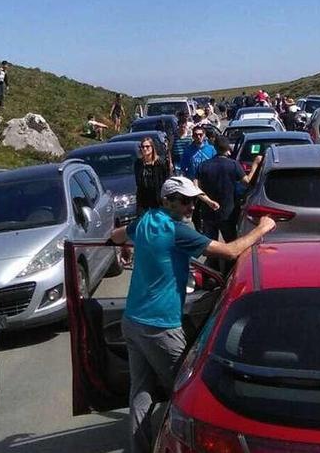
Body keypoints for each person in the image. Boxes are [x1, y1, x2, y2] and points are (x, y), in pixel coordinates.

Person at [108, 176, 276, 453]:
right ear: (168, 200)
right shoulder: (178, 232)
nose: (191, 207)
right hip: (161, 326)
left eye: (194, 201)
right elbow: (230, 250)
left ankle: (140, 447)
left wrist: (125, 243)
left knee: (140, 391)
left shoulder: (146, 221)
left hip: (133, 319)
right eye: (185, 201)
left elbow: (116, 235)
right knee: (188, 390)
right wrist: (262, 228)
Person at [196, 136, 262, 261]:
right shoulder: (233, 165)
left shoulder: (203, 166)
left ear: (215, 148)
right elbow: (247, 182)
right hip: (228, 213)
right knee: (231, 247)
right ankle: (227, 272)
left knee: (210, 249)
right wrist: (256, 163)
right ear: (228, 150)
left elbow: (196, 189)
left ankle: (211, 274)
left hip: (208, 213)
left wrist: (208, 202)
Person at [134, 136, 171, 212]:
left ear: (152, 147)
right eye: (142, 147)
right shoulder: (138, 164)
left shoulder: (160, 163)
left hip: (158, 200)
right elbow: (138, 184)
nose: (144, 149)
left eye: (147, 146)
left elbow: (166, 181)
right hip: (144, 201)